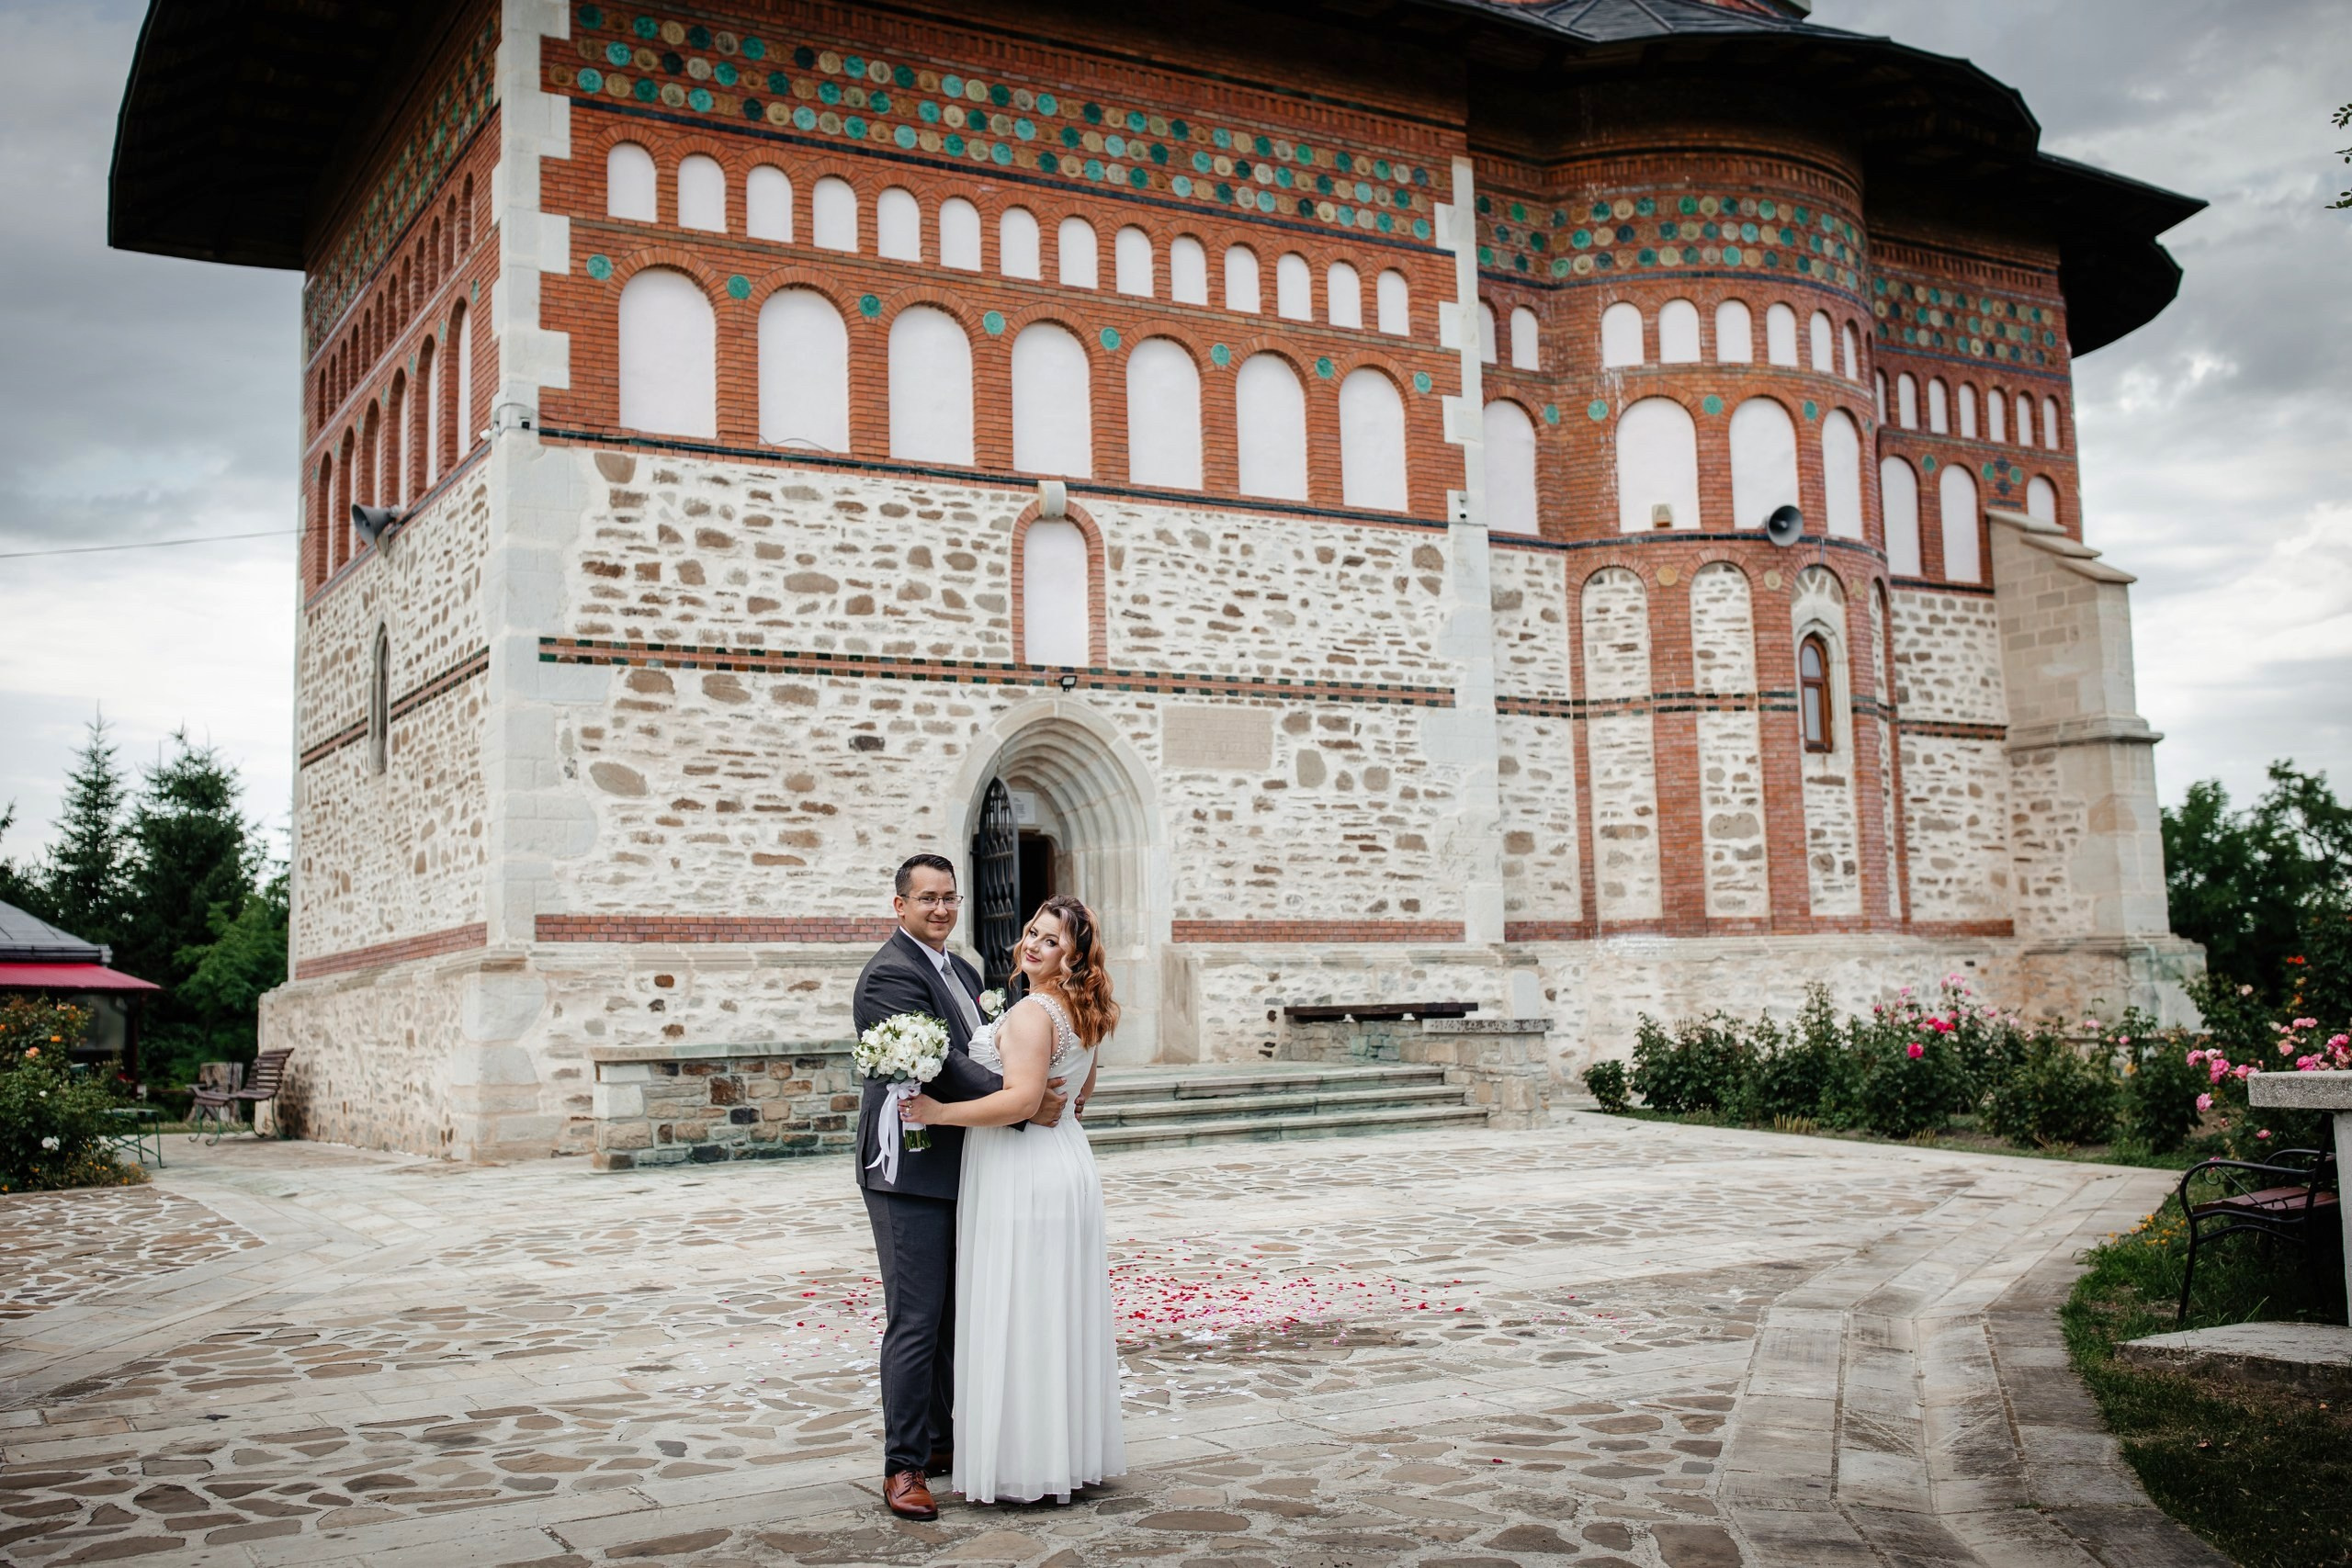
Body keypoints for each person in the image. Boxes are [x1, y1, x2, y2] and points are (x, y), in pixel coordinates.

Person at [852, 853, 1067, 1522]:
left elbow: (982, 1043)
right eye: (927, 898)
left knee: (955, 1315)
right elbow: (942, 1065)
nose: (941, 908)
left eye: (950, 897)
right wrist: (1021, 1099)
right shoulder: (890, 973)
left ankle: (941, 1439)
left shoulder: (966, 970)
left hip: (968, 1161)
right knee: (916, 1319)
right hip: (910, 1170)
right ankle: (904, 1466)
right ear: (900, 905)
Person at [904, 894, 1127, 1506]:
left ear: (1073, 957)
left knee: (1022, 1308)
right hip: (1066, 1160)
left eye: (1052, 941)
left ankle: (1025, 1463)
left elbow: (1022, 1102)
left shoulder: (1032, 1013)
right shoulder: (1081, 1010)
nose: (1034, 944)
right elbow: (1081, 1092)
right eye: (1033, 931)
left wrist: (937, 1112)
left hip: (1022, 1166)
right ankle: (1063, 1454)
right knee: (1053, 1310)